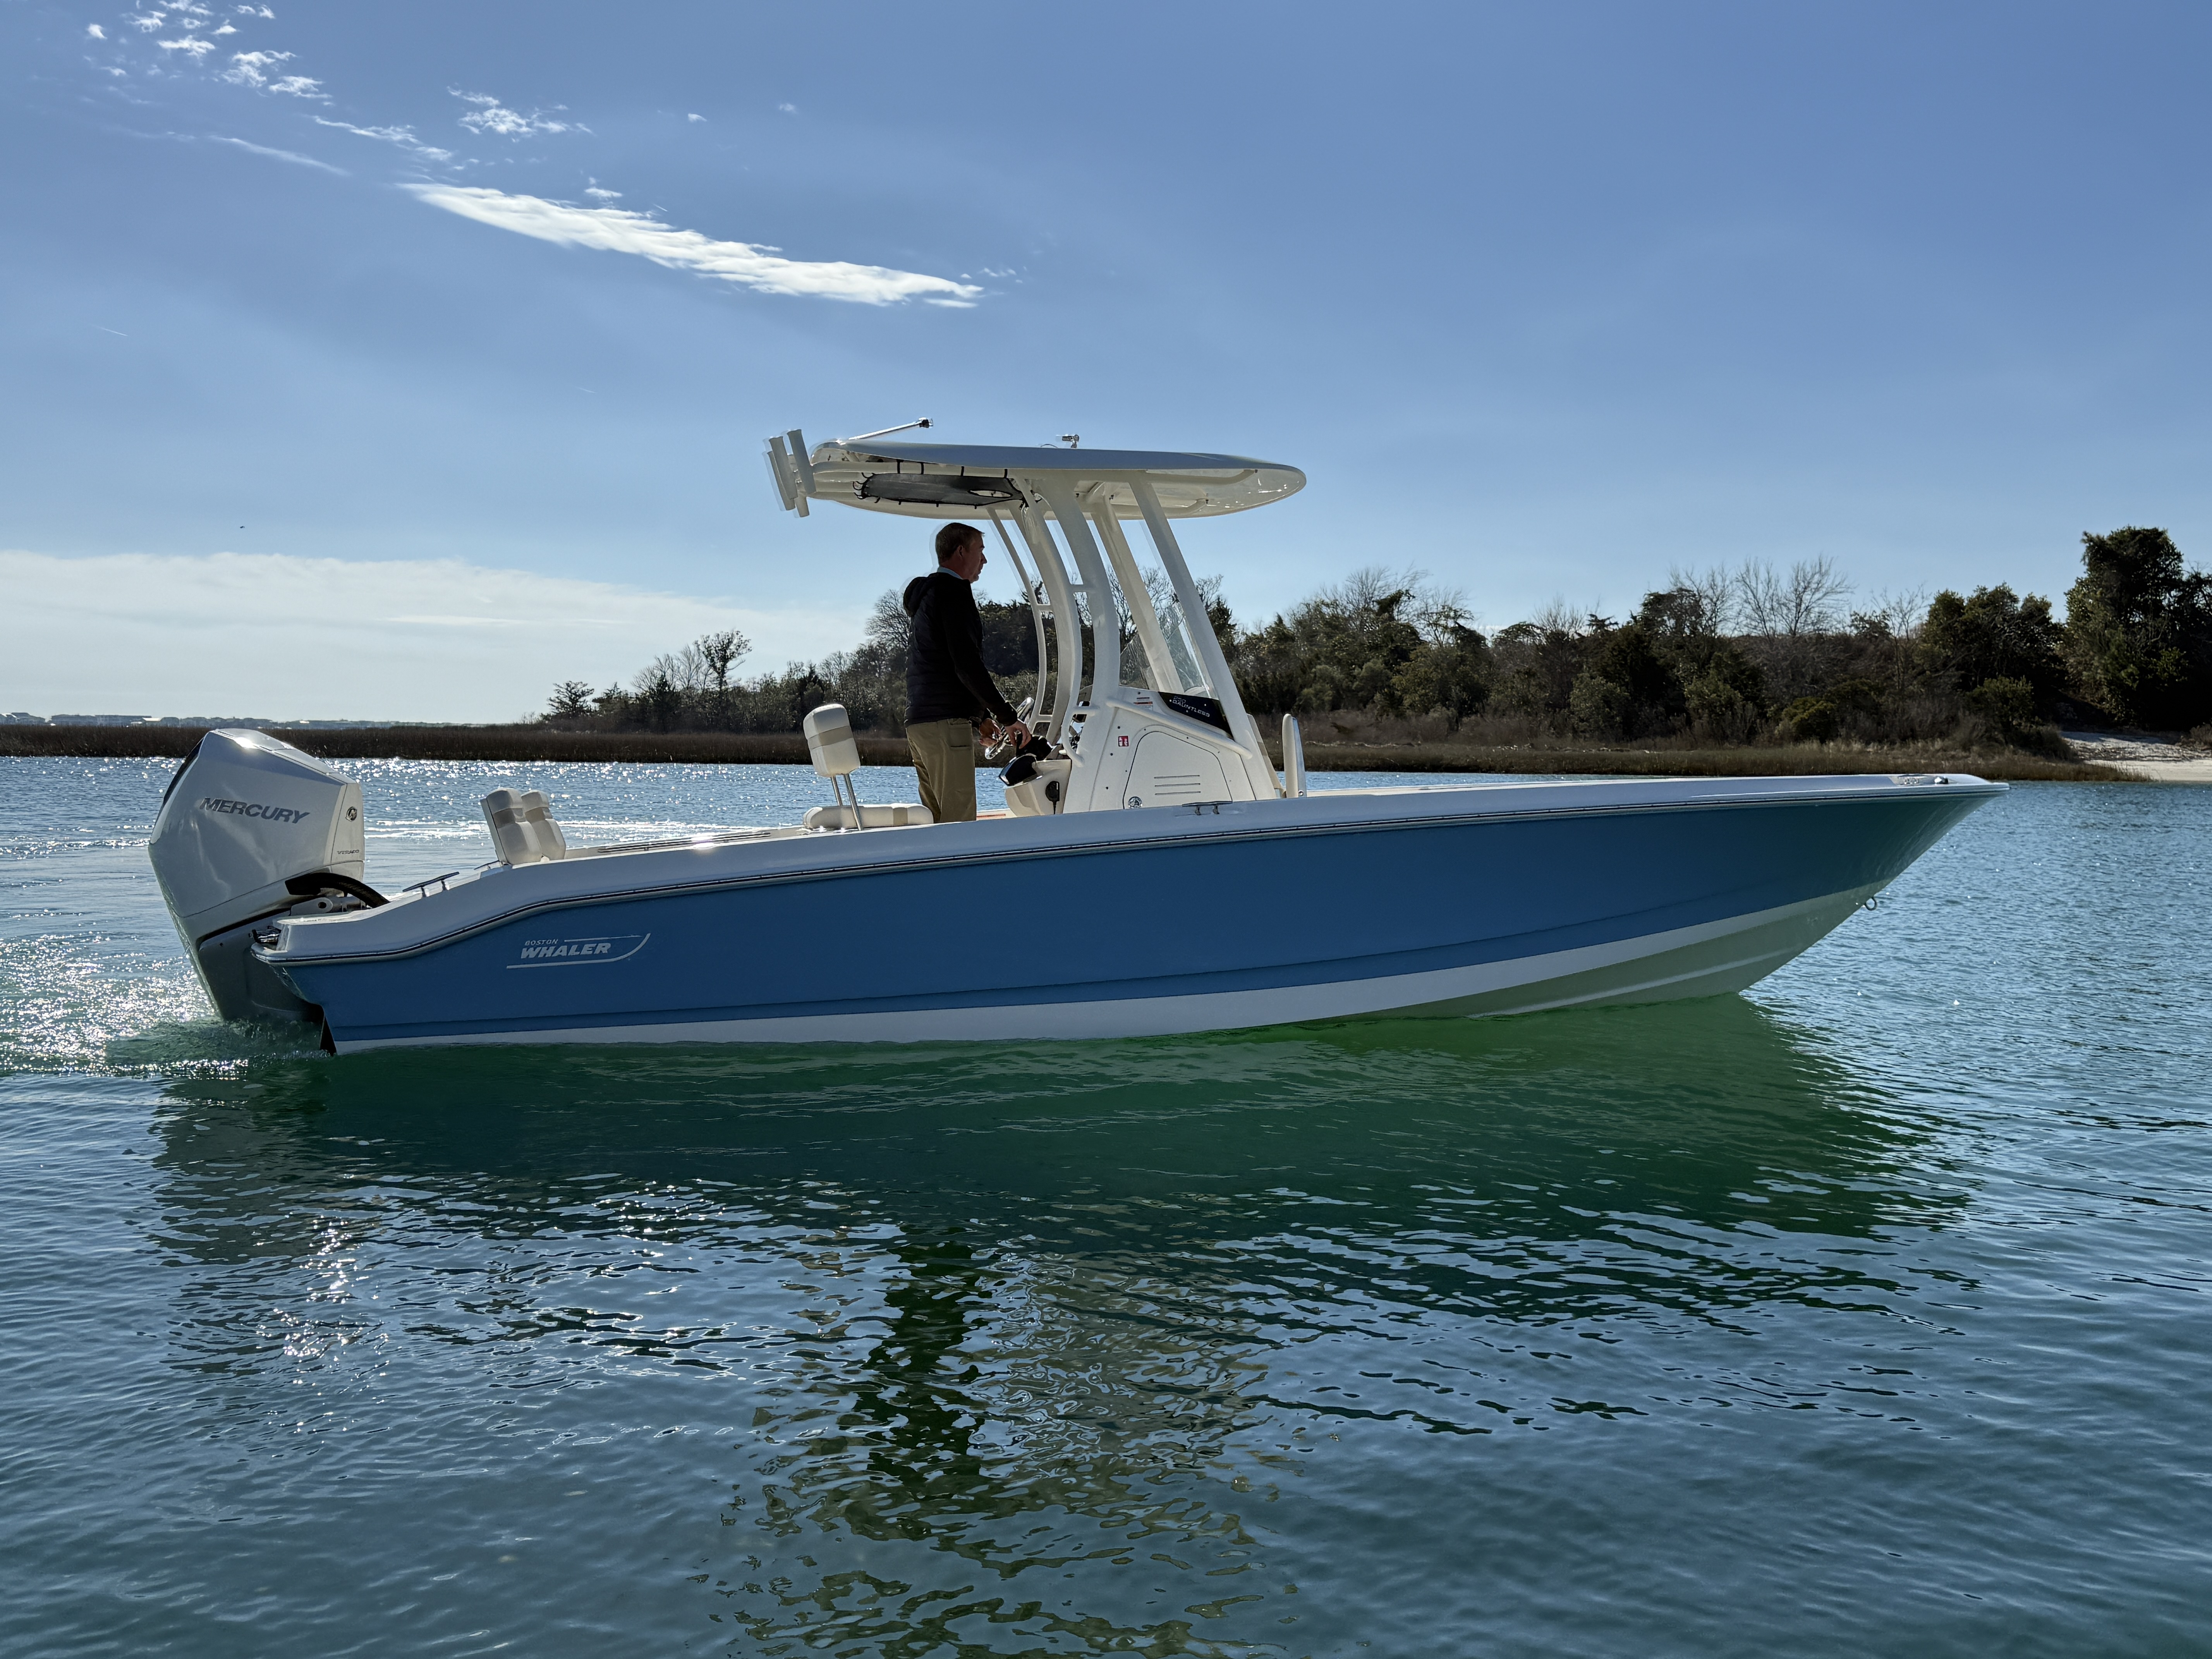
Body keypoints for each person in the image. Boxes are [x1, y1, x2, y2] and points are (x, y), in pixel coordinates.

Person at [902, 522, 1030, 823]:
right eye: (980, 551)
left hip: (921, 724)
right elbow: (966, 665)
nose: (984, 560)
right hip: (945, 725)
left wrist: (980, 717)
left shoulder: (929, 596)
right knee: (958, 826)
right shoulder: (952, 593)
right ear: (961, 552)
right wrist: (1007, 718)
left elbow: (944, 664)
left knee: (937, 823)